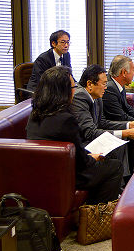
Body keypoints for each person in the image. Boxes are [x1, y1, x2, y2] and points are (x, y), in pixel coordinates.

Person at [26, 66, 122, 204]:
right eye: (72, 88)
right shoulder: (65, 119)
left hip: (42, 171)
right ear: (63, 92)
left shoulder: (35, 113)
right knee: (115, 166)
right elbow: (81, 161)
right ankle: (97, 213)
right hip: (67, 173)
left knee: (107, 158)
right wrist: (93, 158)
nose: (75, 91)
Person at [72, 64, 134, 184]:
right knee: (119, 142)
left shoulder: (97, 95)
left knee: (123, 141)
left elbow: (102, 122)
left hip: (91, 137)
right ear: (90, 84)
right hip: (82, 143)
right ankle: (121, 184)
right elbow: (90, 132)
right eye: (104, 84)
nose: (106, 88)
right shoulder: (79, 97)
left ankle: (129, 179)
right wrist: (125, 132)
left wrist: (130, 125)